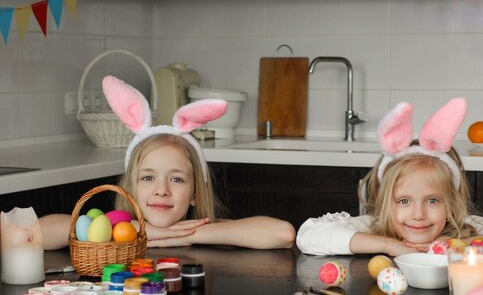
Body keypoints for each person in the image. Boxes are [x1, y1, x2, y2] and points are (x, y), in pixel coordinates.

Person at [40, 75, 295, 250]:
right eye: (148, 177)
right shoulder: (113, 229)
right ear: (130, 189)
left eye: (177, 179)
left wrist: (188, 234)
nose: (162, 190)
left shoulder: (200, 228)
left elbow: (283, 234)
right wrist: (140, 233)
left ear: (195, 192)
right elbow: (36, 232)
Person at [296, 98, 483, 256]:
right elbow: (308, 235)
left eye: (433, 201)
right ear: (386, 203)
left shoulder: (463, 229)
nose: (418, 215)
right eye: (404, 201)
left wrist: (463, 244)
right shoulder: (375, 229)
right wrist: (389, 246)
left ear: (451, 203)